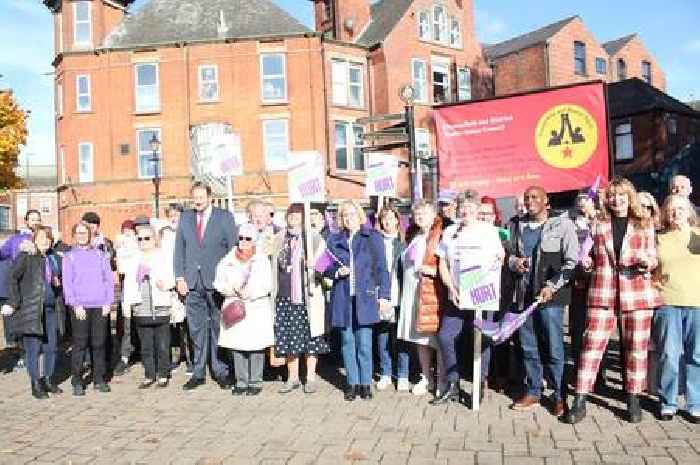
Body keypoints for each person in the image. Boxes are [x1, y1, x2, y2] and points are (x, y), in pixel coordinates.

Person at [566, 177, 661, 424]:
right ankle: (580, 399)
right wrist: (585, 262)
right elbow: (585, 254)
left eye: (621, 195)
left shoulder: (645, 222)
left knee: (635, 350)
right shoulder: (598, 223)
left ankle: (632, 398)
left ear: (629, 197)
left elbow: (653, 256)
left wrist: (646, 261)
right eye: (612, 196)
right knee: (591, 346)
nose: (616, 200)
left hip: (637, 292)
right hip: (603, 291)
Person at [507, 186, 578, 416]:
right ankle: (534, 391)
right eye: (526, 198)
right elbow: (506, 255)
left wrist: (552, 286)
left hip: (551, 299)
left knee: (554, 347)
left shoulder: (563, 224)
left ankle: (559, 395)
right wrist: (514, 263)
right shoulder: (516, 225)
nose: (530, 201)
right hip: (523, 296)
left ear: (546, 200)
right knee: (528, 346)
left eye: (535, 197)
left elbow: (571, 262)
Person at [435, 190, 505, 404]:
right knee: (446, 336)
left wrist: (481, 284)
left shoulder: (489, 231)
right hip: (456, 294)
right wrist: (451, 287)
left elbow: (498, 260)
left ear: (477, 209)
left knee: (480, 339)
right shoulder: (450, 231)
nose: (466, 211)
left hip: (482, 294)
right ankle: (453, 384)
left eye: (470, 207)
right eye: (462, 206)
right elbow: (442, 264)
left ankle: (479, 383)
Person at [174, 182, 237, 390]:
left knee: (219, 328)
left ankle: (221, 370)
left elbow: (232, 250)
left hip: (216, 282)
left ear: (210, 197)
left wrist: (229, 279)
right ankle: (198, 371)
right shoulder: (185, 218)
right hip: (192, 283)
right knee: (196, 329)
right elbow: (179, 251)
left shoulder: (224, 217)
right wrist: (179, 277)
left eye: (201, 196)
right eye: (195, 197)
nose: (198, 200)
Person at [325, 200, 390, 401]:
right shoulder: (333, 240)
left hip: (366, 297)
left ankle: (365, 383)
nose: (348, 218)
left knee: (364, 343)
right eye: (345, 215)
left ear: (359, 215)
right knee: (347, 342)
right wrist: (336, 272)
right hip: (343, 298)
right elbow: (325, 267)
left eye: (352, 214)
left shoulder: (372, 237)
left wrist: (384, 296)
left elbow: (381, 269)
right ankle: (352, 383)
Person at [272, 204, 330, 394]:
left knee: (310, 338)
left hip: (308, 297)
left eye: (298, 214)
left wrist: (314, 265)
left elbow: (325, 263)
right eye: (291, 214)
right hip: (284, 296)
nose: (293, 217)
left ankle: (310, 378)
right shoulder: (279, 238)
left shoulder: (313, 237)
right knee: (289, 339)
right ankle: (293, 377)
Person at [651, 195, 700, 423]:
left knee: (696, 356)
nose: (676, 213)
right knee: (669, 355)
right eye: (671, 210)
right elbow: (649, 268)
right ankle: (668, 402)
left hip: (697, 302)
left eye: (680, 209)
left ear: (689, 212)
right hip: (667, 302)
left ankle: (695, 403)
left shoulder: (698, 236)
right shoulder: (658, 238)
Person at [3, 226, 64, 398]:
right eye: (42, 237)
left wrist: (56, 282)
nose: (45, 241)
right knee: (34, 349)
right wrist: (14, 301)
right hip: (32, 309)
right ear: (34, 240)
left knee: (51, 347)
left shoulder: (53, 258)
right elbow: (12, 278)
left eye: (49, 238)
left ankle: (48, 379)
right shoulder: (27, 256)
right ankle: (35, 383)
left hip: (51, 310)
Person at [214, 223, 274, 396]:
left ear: (254, 240)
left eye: (248, 238)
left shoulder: (261, 259)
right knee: (237, 346)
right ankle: (241, 381)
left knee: (255, 346)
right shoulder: (228, 259)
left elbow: (267, 284)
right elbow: (218, 281)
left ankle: (255, 381)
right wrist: (231, 289)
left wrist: (251, 293)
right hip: (235, 305)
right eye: (241, 238)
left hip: (255, 306)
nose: (243, 242)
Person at [397, 200, 445, 396]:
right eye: (417, 214)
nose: (420, 217)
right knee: (420, 339)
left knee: (436, 339)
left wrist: (432, 270)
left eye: (424, 213)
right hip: (412, 293)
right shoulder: (414, 237)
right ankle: (426, 377)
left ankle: (441, 378)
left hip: (430, 293)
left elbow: (448, 267)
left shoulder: (440, 236)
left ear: (434, 215)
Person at [62, 222, 115, 396]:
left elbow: (108, 279)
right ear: (74, 235)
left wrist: (108, 302)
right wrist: (75, 304)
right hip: (80, 307)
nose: (82, 235)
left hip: (100, 305)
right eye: (78, 233)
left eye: (84, 232)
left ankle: (99, 378)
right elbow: (67, 285)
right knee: (80, 344)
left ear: (90, 234)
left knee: (99, 343)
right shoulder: (69, 257)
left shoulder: (101, 255)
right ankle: (77, 380)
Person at [123, 224, 174, 388]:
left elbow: (172, 278)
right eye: (140, 239)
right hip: (141, 307)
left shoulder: (162, 256)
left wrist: (164, 284)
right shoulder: (134, 258)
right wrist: (128, 305)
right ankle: (149, 374)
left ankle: (163, 374)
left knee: (163, 344)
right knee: (146, 345)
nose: (144, 241)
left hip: (160, 306)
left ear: (154, 239)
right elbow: (129, 284)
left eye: (147, 238)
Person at [374, 204, 409, 392]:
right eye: (384, 218)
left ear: (397, 220)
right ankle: (386, 373)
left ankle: (402, 374)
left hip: (400, 294)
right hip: (382, 296)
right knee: (383, 336)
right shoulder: (375, 242)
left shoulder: (404, 243)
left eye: (390, 217)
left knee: (401, 337)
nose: (387, 221)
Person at [0, 209, 41, 366]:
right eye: (32, 219)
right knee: (19, 321)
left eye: (38, 219)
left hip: (37, 286)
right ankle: (23, 353)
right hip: (20, 286)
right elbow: (2, 254)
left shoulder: (43, 237)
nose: (35, 222)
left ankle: (33, 352)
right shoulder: (15, 240)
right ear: (26, 221)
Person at [113, 219, 138, 376]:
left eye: (130, 230)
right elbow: (120, 269)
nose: (127, 233)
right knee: (127, 328)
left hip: (143, 293)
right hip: (128, 292)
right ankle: (124, 358)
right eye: (125, 230)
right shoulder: (121, 246)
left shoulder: (141, 244)